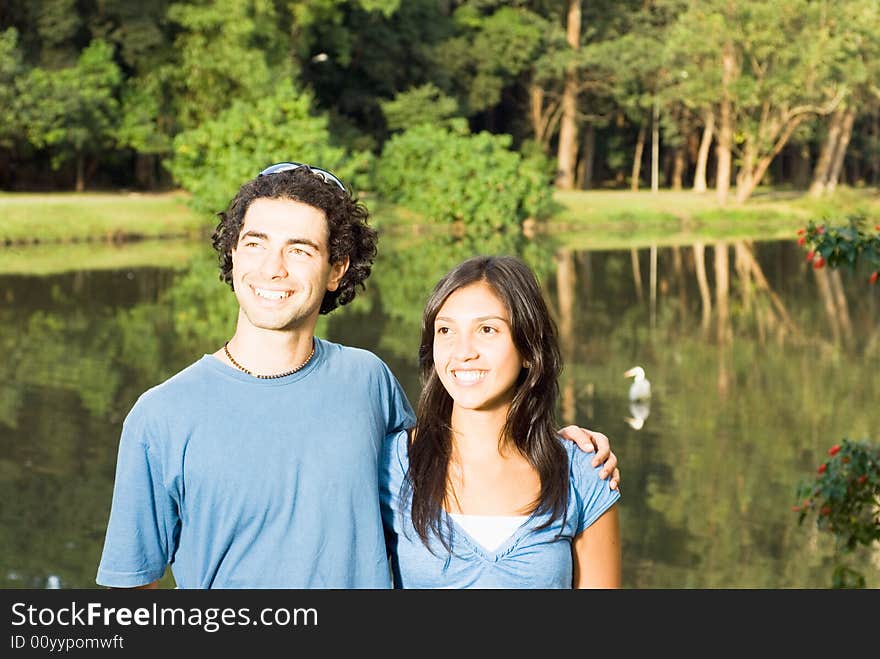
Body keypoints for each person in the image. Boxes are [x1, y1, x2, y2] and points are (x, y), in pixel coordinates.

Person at [96, 162, 620, 589]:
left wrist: (558, 445)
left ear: (336, 269)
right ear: (232, 253)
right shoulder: (160, 416)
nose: (272, 269)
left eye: (299, 249)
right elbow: (130, 590)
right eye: (255, 243)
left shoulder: (367, 380)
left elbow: (460, 451)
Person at [381, 255, 621, 588]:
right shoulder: (391, 465)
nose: (463, 351)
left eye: (487, 329)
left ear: (528, 350)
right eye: (446, 329)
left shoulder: (582, 469)